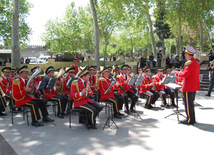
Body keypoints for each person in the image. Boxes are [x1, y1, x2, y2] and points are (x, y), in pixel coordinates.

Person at [175, 46, 200, 125]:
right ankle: (192, 118)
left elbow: (185, 74)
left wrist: (177, 73)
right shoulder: (196, 62)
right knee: (191, 103)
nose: (185, 55)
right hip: (193, 86)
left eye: (185, 54)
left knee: (188, 104)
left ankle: (189, 119)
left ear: (188, 55)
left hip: (188, 86)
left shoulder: (189, 63)